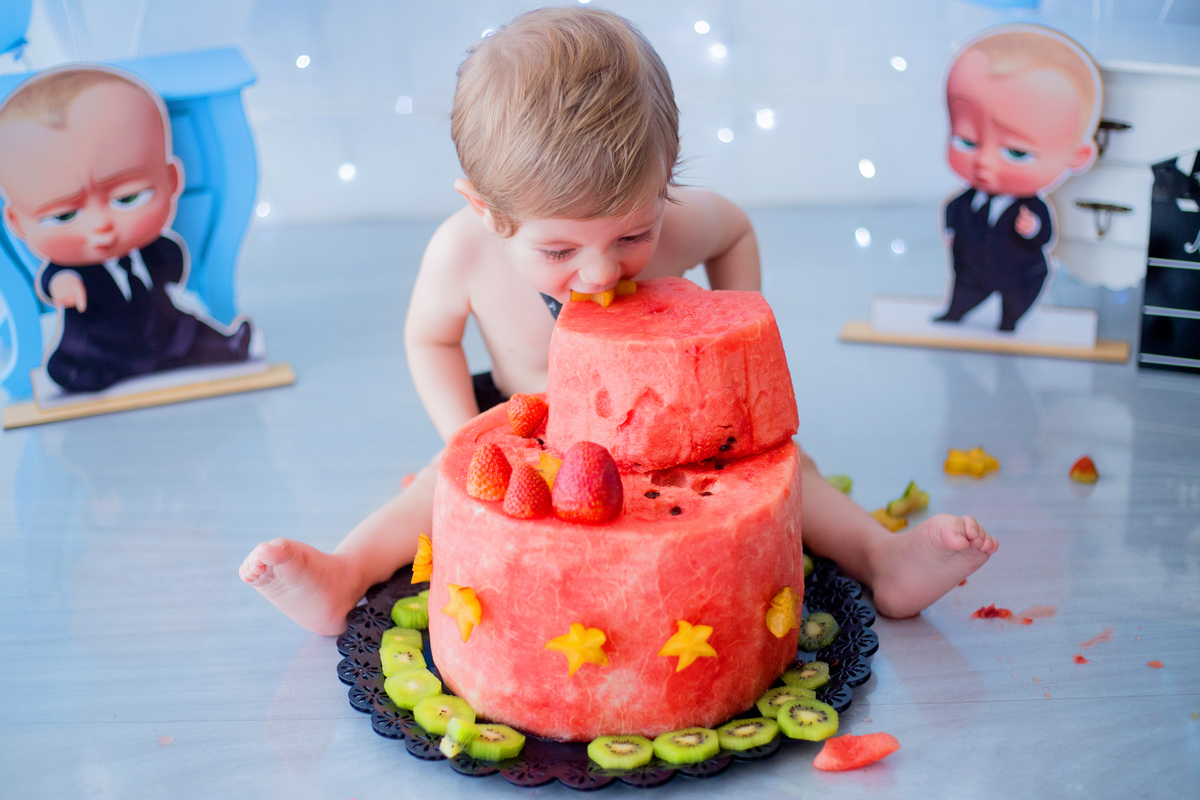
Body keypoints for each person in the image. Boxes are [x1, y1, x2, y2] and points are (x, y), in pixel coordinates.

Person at [240, 7, 997, 636]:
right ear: (486, 210)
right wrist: (461, 432)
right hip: (530, 426)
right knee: (432, 494)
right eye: (559, 250)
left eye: (632, 235)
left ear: (665, 177)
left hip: (671, 427)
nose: (602, 272)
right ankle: (345, 574)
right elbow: (428, 337)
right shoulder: (462, 250)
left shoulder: (676, 222)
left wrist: (737, 353)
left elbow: (734, 230)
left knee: (792, 475)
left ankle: (882, 559)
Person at [0, 67, 251, 394]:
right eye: (63, 216)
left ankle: (227, 346)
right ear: (17, 222)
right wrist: (65, 286)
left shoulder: (154, 248)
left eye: (127, 198)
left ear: (172, 180)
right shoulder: (70, 271)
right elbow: (55, 280)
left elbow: (173, 267)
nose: (101, 225)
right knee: (80, 364)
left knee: (189, 329)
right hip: (105, 342)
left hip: (162, 326)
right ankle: (94, 374)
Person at [935, 25, 1102, 332]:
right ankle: (953, 314)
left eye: (1016, 152)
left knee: (1014, 306)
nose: (984, 162)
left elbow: (1045, 235)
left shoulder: (1032, 208)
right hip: (971, 270)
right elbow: (953, 209)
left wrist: (1033, 228)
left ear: (1077, 156)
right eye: (968, 141)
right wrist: (949, 230)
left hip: (1018, 273)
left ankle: (1009, 323)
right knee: (962, 297)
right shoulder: (965, 201)